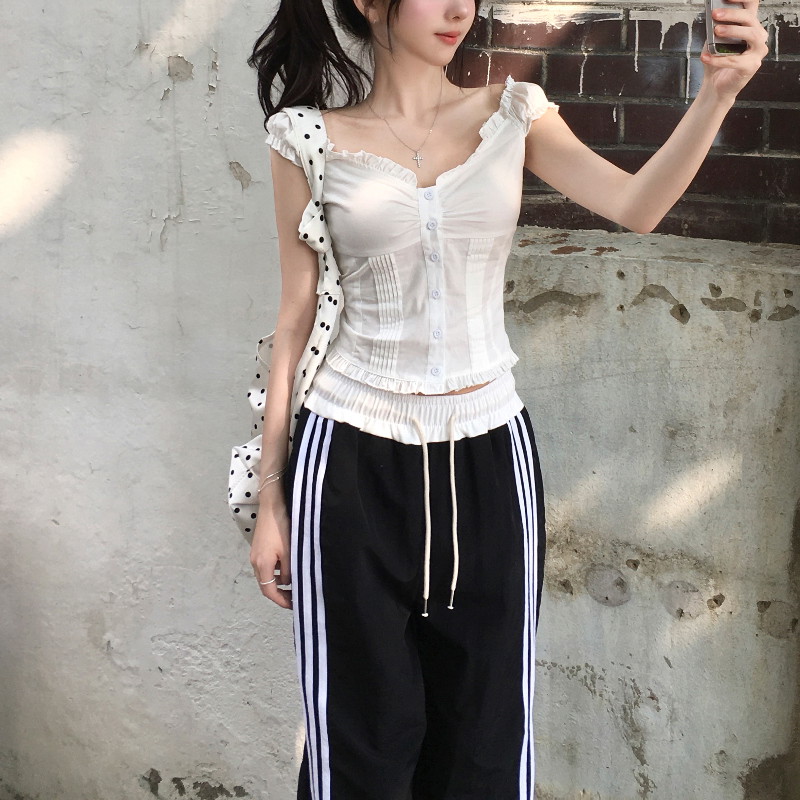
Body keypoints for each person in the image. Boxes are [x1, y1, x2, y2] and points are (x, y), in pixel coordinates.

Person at [246, 1, 767, 797]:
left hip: (489, 453)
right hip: (348, 458)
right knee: (358, 747)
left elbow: (638, 206)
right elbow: (294, 319)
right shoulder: (307, 139)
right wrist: (271, 502)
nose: (460, 7)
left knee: (486, 742)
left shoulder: (513, 113)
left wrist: (719, 94)